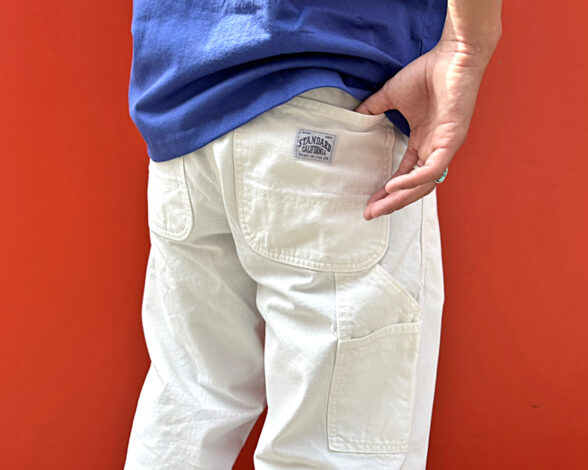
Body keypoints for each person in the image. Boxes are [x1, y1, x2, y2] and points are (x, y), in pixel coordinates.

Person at [123, 1, 502, 469]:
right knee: (334, 447)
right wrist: (467, 46)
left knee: (189, 399)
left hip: (183, 102)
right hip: (332, 81)